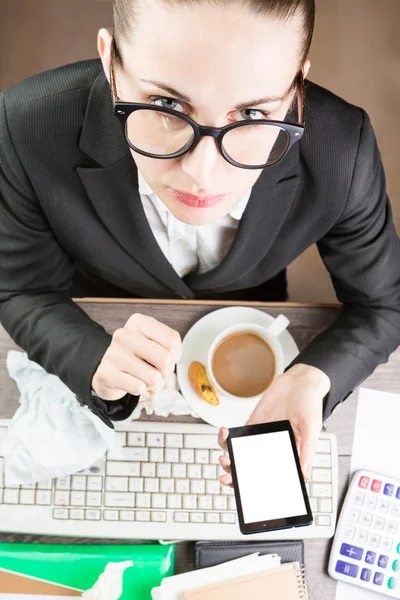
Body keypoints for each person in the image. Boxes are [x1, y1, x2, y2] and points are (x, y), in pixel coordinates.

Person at [0, 0, 399, 484]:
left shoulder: (345, 147)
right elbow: (21, 289)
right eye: (166, 105)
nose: (202, 175)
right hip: (100, 304)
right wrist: (89, 354)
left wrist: (310, 378)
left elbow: (385, 306)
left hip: (254, 307)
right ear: (110, 63)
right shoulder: (26, 124)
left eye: (253, 112)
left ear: (296, 87)